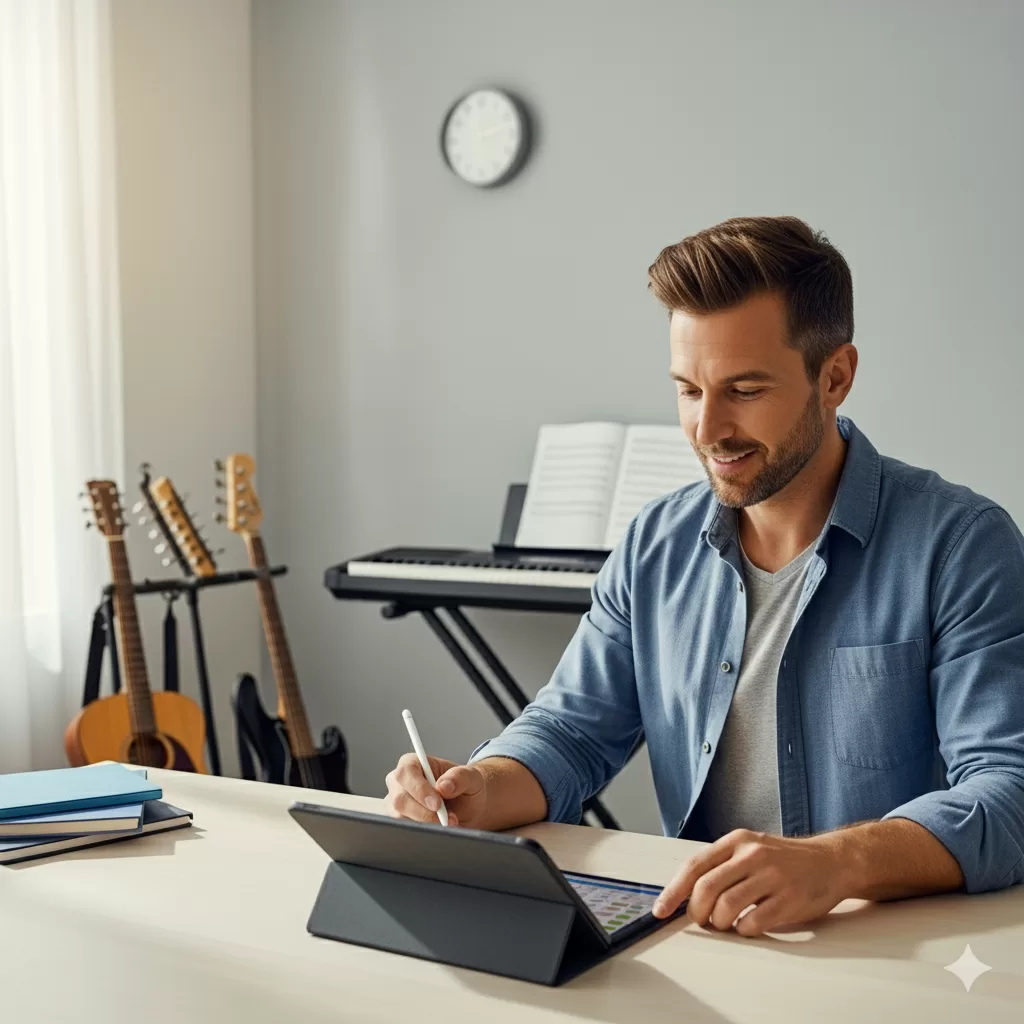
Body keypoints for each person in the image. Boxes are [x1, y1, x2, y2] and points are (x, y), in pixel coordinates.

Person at [384, 216, 1024, 937]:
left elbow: (1010, 791)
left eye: (745, 391)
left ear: (835, 376)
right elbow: (570, 732)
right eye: (688, 390)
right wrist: (481, 786)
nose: (707, 428)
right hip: (703, 941)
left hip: (892, 954)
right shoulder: (655, 542)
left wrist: (837, 862)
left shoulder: (963, 546)